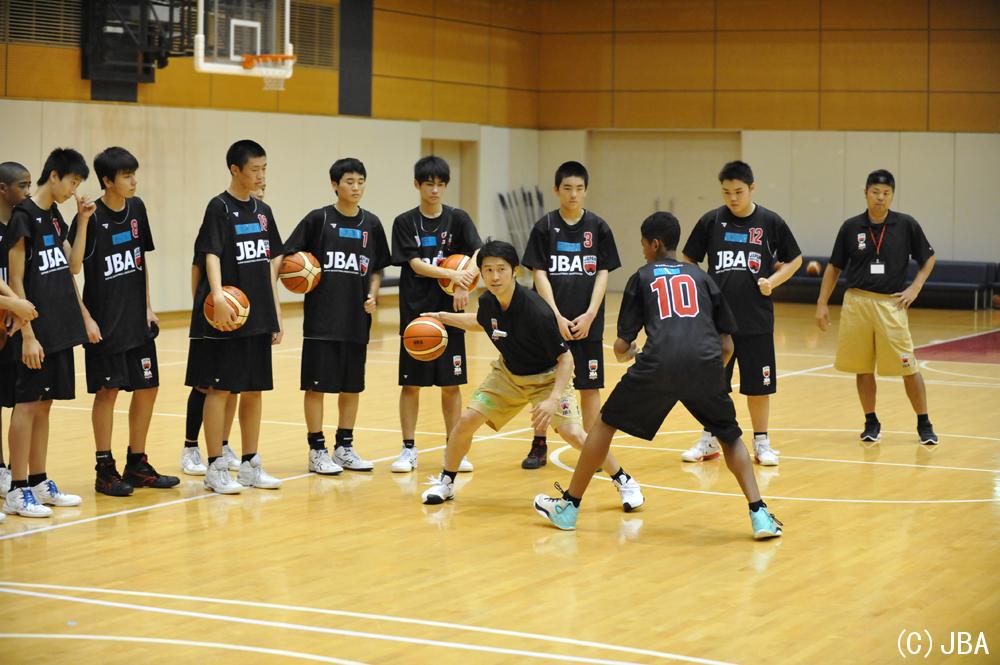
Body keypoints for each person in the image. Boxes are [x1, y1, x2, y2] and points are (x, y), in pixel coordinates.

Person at [533, 213, 781, 539]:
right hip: (705, 364)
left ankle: (569, 507)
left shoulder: (642, 276)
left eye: (643, 245)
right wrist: (708, 375)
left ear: (654, 244)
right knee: (731, 437)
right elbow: (727, 345)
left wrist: (626, 353)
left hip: (658, 363)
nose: (643, 251)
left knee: (604, 425)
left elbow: (621, 345)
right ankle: (760, 514)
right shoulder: (702, 277)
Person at [420, 239, 643, 511]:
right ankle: (446, 482)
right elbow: (481, 322)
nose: (495, 276)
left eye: (501, 269)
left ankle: (625, 481)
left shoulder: (536, 310)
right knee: (466, 421)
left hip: (547, 378)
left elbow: (566, 359)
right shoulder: (488, 301)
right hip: (508, 376)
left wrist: (553, 399)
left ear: (514, 271)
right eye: (488, 270)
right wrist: (442, 317)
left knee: (574, 434)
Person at [68, 146, 179, 497]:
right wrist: (86, 318)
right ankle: (104, 470)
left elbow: (140, 262)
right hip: (105, 324)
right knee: (108, 392)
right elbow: (72, 269)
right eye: (126, 176)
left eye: (134, 174)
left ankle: (137, 463)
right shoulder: (90, 216)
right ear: (107, 181)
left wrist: (148, 307)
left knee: (148, 387)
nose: (133, 181)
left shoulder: (137, 209)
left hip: (135, 320)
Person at [680, 161, 802, 466]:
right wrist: (702, 287)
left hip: (756, 320)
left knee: (758, 386)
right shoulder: (711, 221)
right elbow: (689, 258)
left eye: (738, 192)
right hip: (718, 323)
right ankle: (709, 438)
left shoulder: (770, 222)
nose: (732, 198)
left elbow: (795, 260)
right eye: (726, 192)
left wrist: (773, 282)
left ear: (752, 188)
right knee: (714, 385)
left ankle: (762, 442)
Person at [184, 140, 284, 494]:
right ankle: (215, 466)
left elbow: (270, 263)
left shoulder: (263, 211)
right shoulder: (219, 207)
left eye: (264, 168)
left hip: (258, 314)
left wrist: (276, 313)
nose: (261, 175)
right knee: (219, 389)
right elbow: (210, 254)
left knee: (254, 390)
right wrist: (217, 295)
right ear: (235, 170)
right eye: (254, 169)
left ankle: (250, 465)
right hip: (225, 316)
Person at [283, 158, 390, 473]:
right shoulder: (318, 219)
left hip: (356, 320)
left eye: (360, 182)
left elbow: (377, 269)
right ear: (335, 185)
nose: (356, 188)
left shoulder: (371, 224)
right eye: (349, 182)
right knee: (316, 387)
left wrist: (373, 294)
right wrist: (298, 274)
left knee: (352, 386)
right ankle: (317, 450)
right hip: (322, 320)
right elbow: (288, 257)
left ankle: (344, 447)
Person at [816, 169, 938, 444]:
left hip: (891, 304)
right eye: (875, 192)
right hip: (857, 302)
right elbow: (834, 267)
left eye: (886, 193)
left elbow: (928, 258)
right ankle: (871, 421)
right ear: (866, 193)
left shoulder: (906, 224)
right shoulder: (850, 227)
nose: (880, 198)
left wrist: (916, 287)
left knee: (909, 366)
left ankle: (924, 423)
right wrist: (822, 303)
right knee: (863, 368)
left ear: (892, 195)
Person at [3, 148, 94, 518]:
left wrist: (82, 221)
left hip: (58, 327)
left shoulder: (55, 215)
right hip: (33, 331)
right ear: (54, 175)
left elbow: (74, 265)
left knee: (45, 405)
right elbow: (16, 280)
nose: (74, 190)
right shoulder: (23, 217)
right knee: (26, 405)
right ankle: (17, 488)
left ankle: (38, 481)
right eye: (72, 181)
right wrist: (27, 334)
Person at [519, 161, 621, 469]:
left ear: (586, 190)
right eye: (567, 188)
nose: (573, 194)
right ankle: (538, 443)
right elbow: (539, 273)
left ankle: (593, 447)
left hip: (587, 323)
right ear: (556, 190)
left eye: (579, 188)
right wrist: (554, 316)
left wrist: (590, 314)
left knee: (590, 386)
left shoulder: (598, 227)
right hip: (550, 322)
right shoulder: (545, 226)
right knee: (546, 383)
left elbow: (603, 273)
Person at [389, 156, 479, 474]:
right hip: (417, 314)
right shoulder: (405, 222)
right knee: (411, 385)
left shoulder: (459, 218)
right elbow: (414, 264)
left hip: (451, 313)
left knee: (451, 385)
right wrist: (452, 275)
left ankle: (454, 448)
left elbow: (478, 252)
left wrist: (464, 281)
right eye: (429, 184)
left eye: (441, 185)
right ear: (417, 185)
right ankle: (408, 449)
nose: (435, 190)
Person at [180, 183, 266, 476]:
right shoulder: (219, 217)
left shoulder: (258, 218)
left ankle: (224, 444)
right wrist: (202, 308)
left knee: (232, 386)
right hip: (211, 316)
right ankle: (191, 447)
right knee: (204, 385)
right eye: (256, 182)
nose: (260, 190)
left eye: (264, 186)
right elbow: (198, 266)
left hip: (241, 317)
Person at [0, 161, 39, 509]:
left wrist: (16, 308)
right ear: (3, 189)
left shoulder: (20, 224)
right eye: (22, 185)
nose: (28, 191)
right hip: (8, 315)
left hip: (9, 326)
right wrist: (13, 302)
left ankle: (13, 472)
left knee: (15, 398)